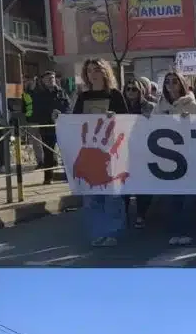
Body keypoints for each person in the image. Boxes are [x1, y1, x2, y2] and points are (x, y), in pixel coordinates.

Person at [72, 59, 129, 247]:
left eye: (97, 70)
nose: (93, 74)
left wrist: (115, 118)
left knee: (112, 195)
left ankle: (113, 232)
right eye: (89, 71)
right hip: (89, 153)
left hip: (112, 153)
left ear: (105, 72)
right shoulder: (83, 97)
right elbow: (74, 123)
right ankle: (98, 232)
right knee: (92, 195)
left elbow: (127, 122)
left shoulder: (115, 95)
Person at [154, 71, 196, 246]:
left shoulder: (191, 104)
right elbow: (150, 127)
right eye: (167, 82)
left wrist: (189, 121)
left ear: (181, 84)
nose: (171, 85)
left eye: (175, 81)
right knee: (172, 197)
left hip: (189, 158)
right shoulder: (159, 106)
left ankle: (188, 231)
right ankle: (175, 231)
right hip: (167, 160)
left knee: (188, 198)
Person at [121, 77, 154, 228]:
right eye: (128, 89)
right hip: (123, 151)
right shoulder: (121, 106)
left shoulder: (149, 107)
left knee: (142, 185)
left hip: (143, 150)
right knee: (124, 184)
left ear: (141, 91)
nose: (130, 92)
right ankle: (124, 213)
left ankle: (141, 213)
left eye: (134, 89)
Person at [30, 72, 70, 185]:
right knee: (48, 153)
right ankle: (48, 178)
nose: (51, 80)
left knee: (66, 152)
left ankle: (69, 176)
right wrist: (50, 114)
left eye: (52, 78)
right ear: (43, 81)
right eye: (48, 78)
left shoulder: (61, 92)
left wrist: (61, 113)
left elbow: (68, 107)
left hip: (62, 127)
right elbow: (36, 111)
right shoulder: (40, 95)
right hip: (47, 128)